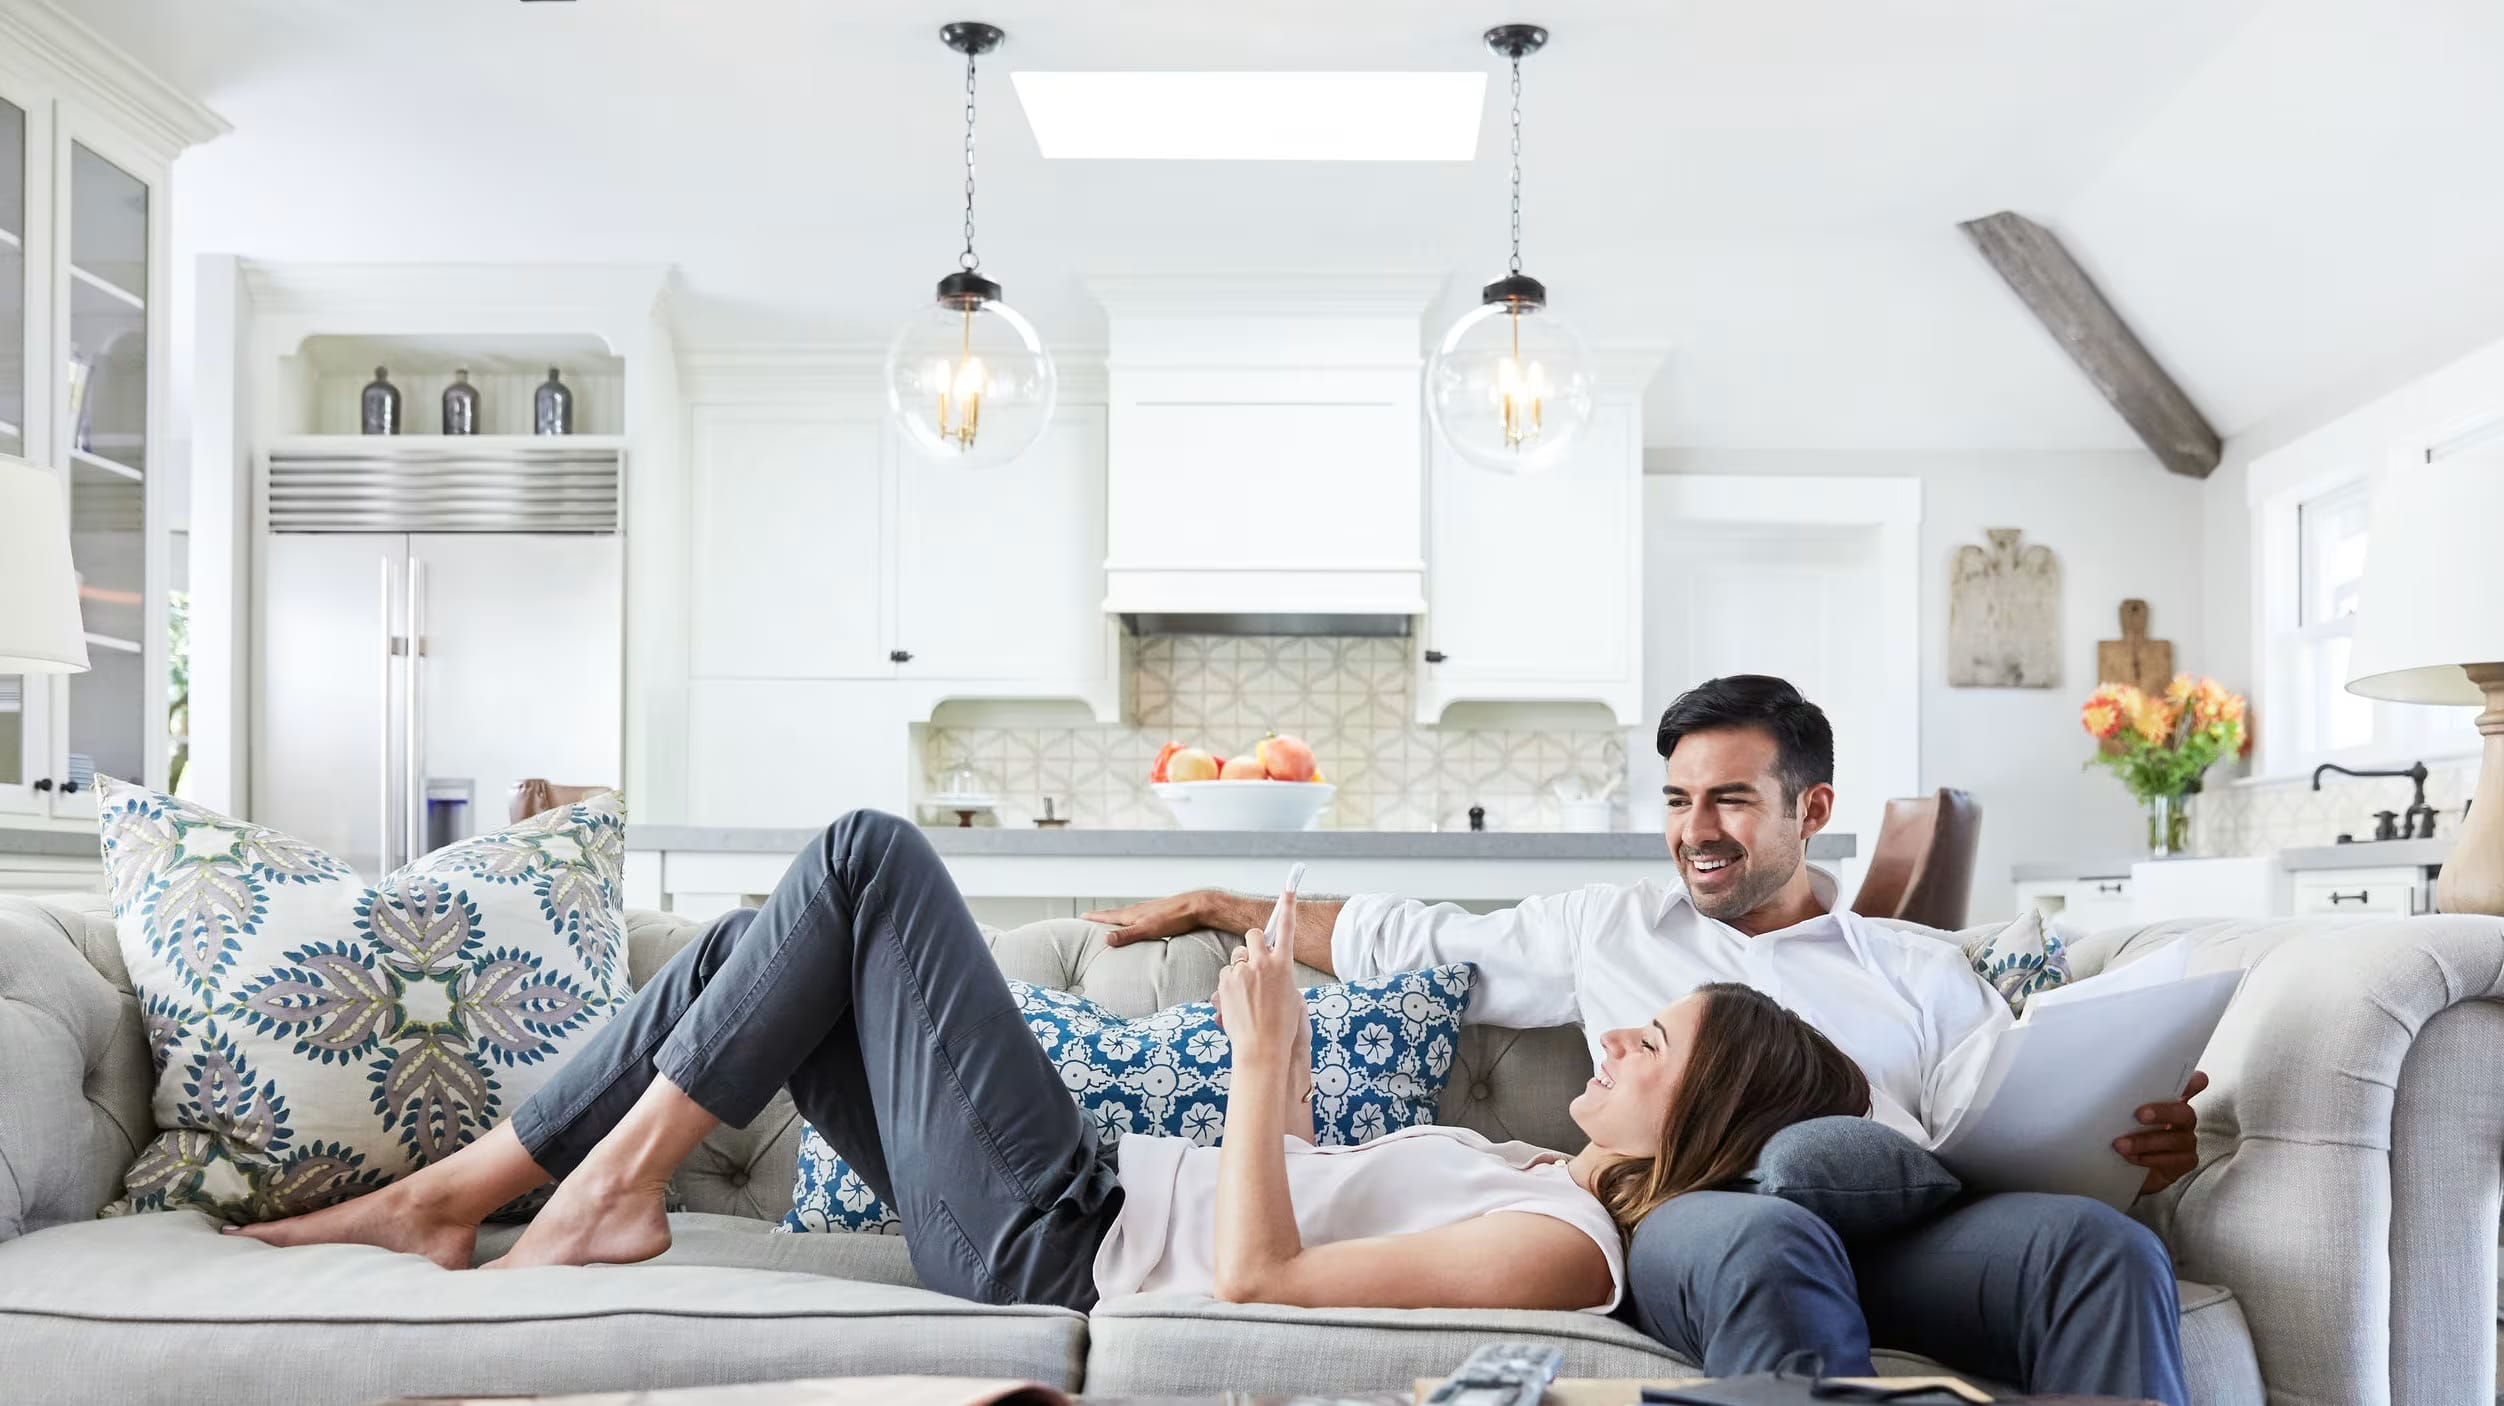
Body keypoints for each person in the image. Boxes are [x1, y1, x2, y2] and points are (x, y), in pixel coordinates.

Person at [232, 809, 1871, 1320]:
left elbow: (1253, 1293)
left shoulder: (1562, 1249)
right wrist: (1283, 1095)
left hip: (1058, 1239)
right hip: (1065, 1204)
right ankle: (461, 1199)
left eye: (1663, 1043)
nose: (1625, 1027)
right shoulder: (1530, 1182)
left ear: (1702, 1117)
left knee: (871, 854)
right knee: (750, 945)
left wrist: (1253, 1065)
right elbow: (1310, 1213)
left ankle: (593, 1194)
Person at [1085, 675, 2200, 1405]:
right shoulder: (1608, 927)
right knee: (1771, 1239)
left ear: (1810, 811)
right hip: (1706, 1221)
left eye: (1726, 800)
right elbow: (1410, 939)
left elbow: (1989, 1117)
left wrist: (2120, 1132)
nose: (1692, 832)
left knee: (2099, 1249)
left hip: (1905, 1232)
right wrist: (1228, 904)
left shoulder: (1917, 965)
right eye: (1674, 799)